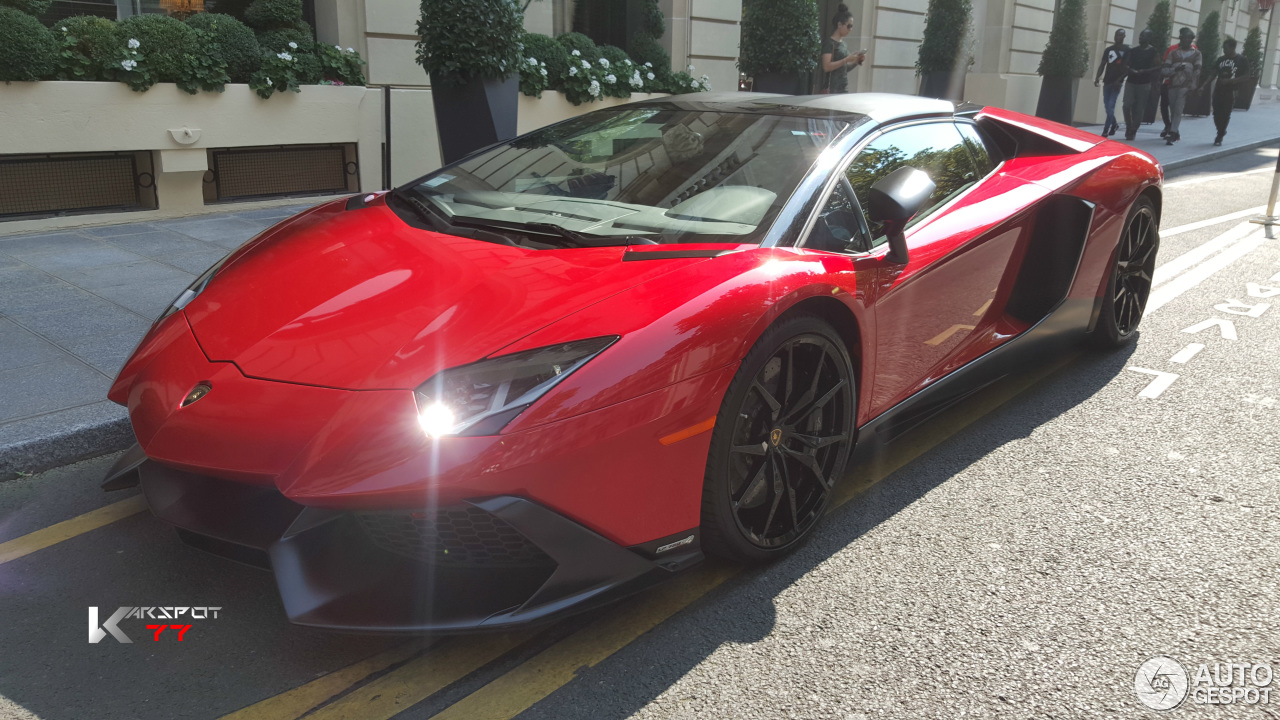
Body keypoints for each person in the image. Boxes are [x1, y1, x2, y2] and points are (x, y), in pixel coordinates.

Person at [1204, 36, 1250, 146]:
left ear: (1233, 48)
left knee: (1225, 114)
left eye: (1226, 48)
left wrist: (1231, 81)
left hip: (1232, 91)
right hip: (1219, 90)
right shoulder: (1221, 59)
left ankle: (1219, 135)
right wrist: (1204, 85)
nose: (1224, 50)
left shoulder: (1242, 60)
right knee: (1216, 113)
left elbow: (1247, 76)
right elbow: (1213, 73)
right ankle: (1221, 130)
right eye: (1224, 48)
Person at [1162, 27, 1201, 145]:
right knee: (1173, 109)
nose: (1185, 40)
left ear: (1191, 39)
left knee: (1178, 109)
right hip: (1173, 84)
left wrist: (1193, 86)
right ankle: (1175, 131)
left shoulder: (1197, 54)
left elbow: (1197, 71)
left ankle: (1172, 133)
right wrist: (1174, 70)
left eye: (1188, 38)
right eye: (1183, 38)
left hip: (1185, 85)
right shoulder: (1173, 53)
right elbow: (1164, 70)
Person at [1123, 29, 1160, 140]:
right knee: (1126, 105)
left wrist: (1145, 71)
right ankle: (1128, 125)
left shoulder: (1153, 51)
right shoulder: (1133, 51)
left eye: (1143, 36)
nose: (1140, 38)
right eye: (1140, 36)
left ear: (1149, 38)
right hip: (1131, 81)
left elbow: (1158, 66)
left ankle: (1133, 129)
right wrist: (1130, 69)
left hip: (1144, 83)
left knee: (1139, 108)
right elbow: (1126, 64)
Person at [820, 4, 865, 94]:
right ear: (840, 24)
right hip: (832, 89)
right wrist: (846, 60)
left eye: (852, 26)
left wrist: (856, 61)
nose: (850, 29)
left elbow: (843, 69)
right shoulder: (829, 43)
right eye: (849, 26)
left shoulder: (843, 44)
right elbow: (826, 67)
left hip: (843, 88)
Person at [1094, 29, 1129, 137]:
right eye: (1116, 35)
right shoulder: (1109, 50)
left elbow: (1127, 68)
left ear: (1124, 37)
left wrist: (1119, 80)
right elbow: (1103, 64)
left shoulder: (1127, 50)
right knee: (1107, 106)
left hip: (1117, 84)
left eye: (1120, 35)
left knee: (1111, 105)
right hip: (1107, 81)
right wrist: (1097, 77)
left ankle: (1105, 130)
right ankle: (1114, 124)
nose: (1117, 37)